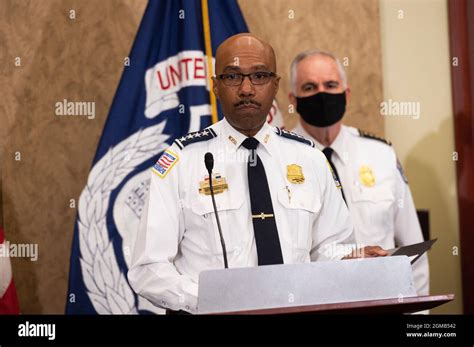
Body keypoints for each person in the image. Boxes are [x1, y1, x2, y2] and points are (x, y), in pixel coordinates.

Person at [128, 34, 386, 314]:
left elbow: (328, 247)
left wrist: (354, 259)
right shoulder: (182, 161)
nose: (247, 89)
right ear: (215, 86)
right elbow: (148, 268)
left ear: (275, 85)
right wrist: (213, 300)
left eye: (260, 76)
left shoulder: (309, 158)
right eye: (233, 77)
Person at [289, 50, 429, 297]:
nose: (322, 93)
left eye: (331, 85)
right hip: (314, 302)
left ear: (347, 93)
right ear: (293, 99)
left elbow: (412, 248)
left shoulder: (381, 155)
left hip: (383, 302)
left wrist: (416, 318)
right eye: (309, 87)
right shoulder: (281, 158)